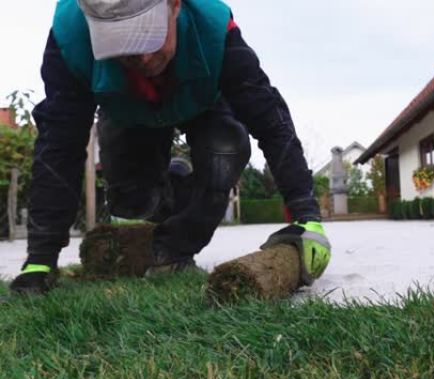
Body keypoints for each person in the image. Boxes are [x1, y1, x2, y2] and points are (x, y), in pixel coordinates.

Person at [9, 0, 331, 294]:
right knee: (135, 205)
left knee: (224, 151)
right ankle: (174, 185)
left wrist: (305, 214)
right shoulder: (70, 39)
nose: (145, 58)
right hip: (127, 110)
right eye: (125, 44)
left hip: (203, 104)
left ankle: (174, 249)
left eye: (148, 36)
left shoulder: (216, 30)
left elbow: (271, 122)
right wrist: (41, 258)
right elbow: (59, 147)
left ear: (174, 5)